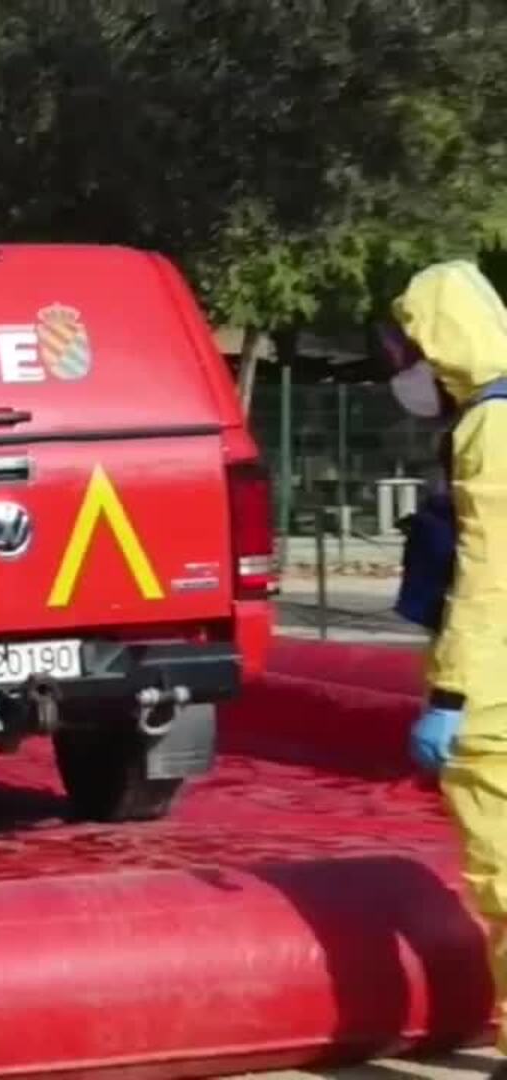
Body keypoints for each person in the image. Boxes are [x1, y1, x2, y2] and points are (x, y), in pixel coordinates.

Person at [386, 260, 507, 1050]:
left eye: (406, 353)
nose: (403, 371)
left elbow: (489, 577)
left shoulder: (490, 431)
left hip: (495, 697)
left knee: (504, 876)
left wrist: (453, 698)